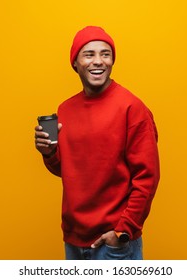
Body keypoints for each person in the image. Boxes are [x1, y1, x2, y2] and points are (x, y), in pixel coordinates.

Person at [35, 26, 160, 260]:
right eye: (89, 54)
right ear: (75, 63)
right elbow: (70, 171)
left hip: (114, 241)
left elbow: (147, 177)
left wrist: (123, 230)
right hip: (73, 238)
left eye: (105, 54)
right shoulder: (65, 109)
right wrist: (49, 152)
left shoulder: (132, 109)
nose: (98, 61)